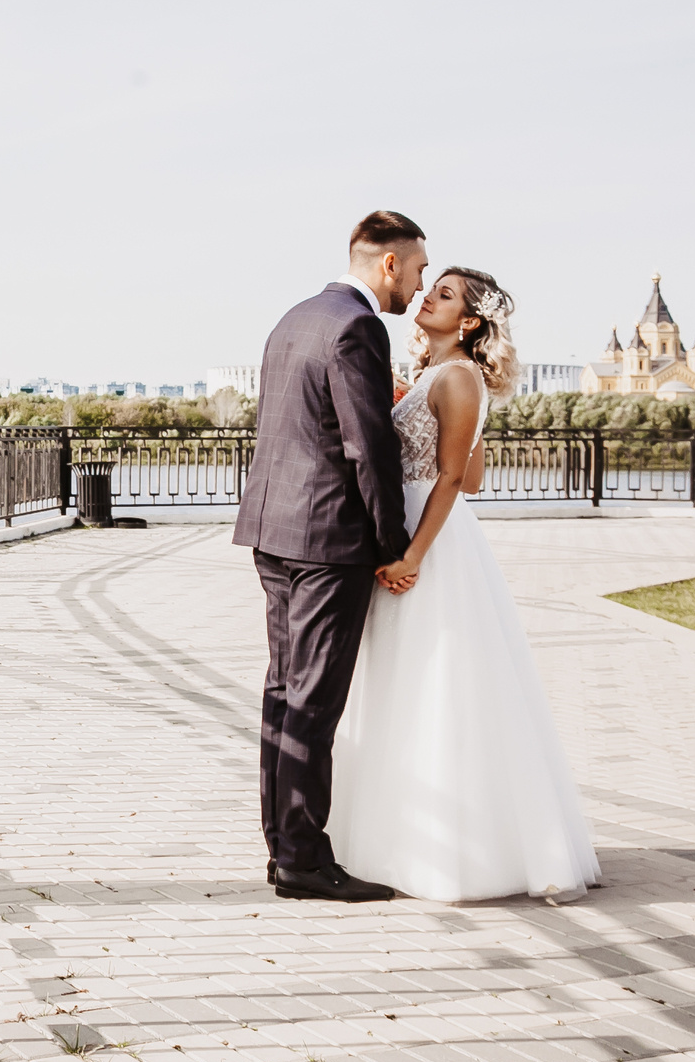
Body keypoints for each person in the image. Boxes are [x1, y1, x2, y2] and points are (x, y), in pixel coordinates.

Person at [328, 267, 601, 903]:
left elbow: (452, 480)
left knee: (437, 684)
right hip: (432, 524)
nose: (427, 296)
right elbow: (474, 474)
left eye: (444, 294)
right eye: (432, 287)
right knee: (416, 683)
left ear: (470, 321)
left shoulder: (456, 377)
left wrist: (413, 555)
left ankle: (450, 850)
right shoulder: (442, 376)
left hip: (432, 537)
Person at [233, 211, 425, 902]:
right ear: (390, 264)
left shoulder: (295, 316)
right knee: (313, 701)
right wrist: (391, 544)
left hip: (274, 531)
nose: (421, 282)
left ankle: (283, 848)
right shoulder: (357, 325)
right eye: (420, 267)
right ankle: (304, 861)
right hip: (326, 541)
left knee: (284, 694)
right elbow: (365, 445)